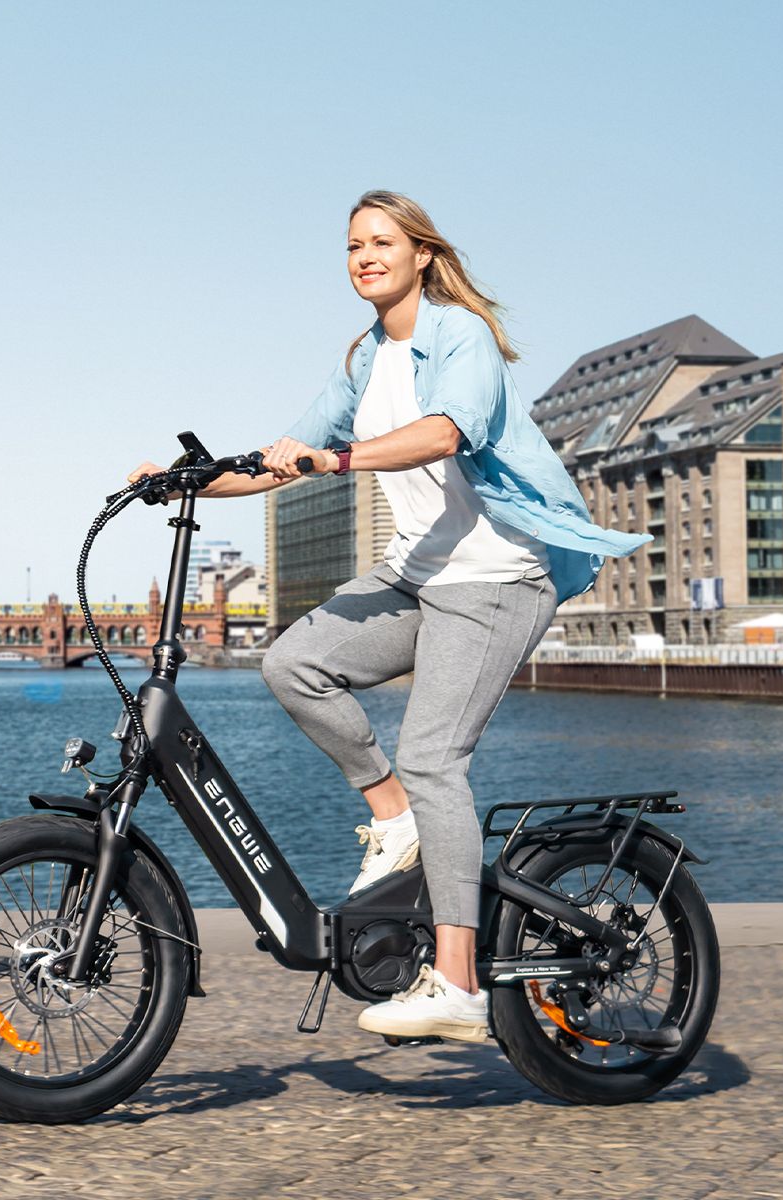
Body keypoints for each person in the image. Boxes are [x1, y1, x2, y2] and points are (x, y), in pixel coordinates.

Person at [129, 190, 649, 1043]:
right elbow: (281, 456)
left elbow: (447, 433)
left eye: (380, 242)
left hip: (493, 574)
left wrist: (337, 458)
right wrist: (181, 481)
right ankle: (392, 812)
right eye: (351, 246)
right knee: (293, 664)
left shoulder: (459, 336)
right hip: (420, 574)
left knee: (434, 753)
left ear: (419, 254)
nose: (364, 256)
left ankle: (456, 981)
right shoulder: (367, 355)